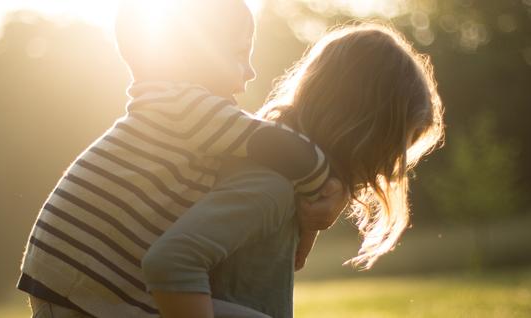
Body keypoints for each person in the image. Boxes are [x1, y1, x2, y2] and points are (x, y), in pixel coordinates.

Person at [17, 0, 347, 317]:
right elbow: (282, 147)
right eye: (239, 55)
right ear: (195, 54)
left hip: (76, 279)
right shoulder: (185, 106)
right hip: (87, 282)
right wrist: (329, 187)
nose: (250, 72)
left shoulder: (175, 108)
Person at [141, 23, 444, 318]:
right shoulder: (271, 187)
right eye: (393, 148)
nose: (391, 170)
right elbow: (171, 261)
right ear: (361, 127)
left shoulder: (289, 184)